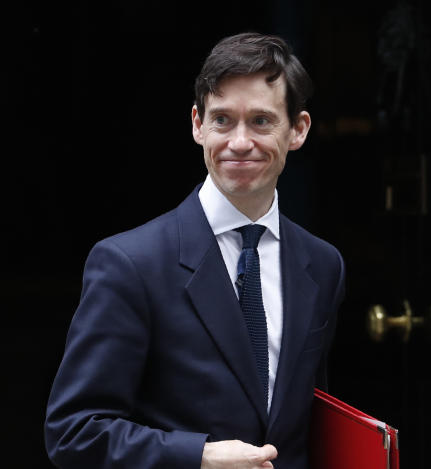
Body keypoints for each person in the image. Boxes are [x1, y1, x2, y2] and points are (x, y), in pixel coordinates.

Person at [45, 33, 344, 469]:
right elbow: (74, 432)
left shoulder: (323, 264)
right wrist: (199, 457)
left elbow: (308, 423)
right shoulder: (130, 263)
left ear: (298, 129)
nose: (240, 142)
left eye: (261, 121)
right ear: (197, 124)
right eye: (222, 120)